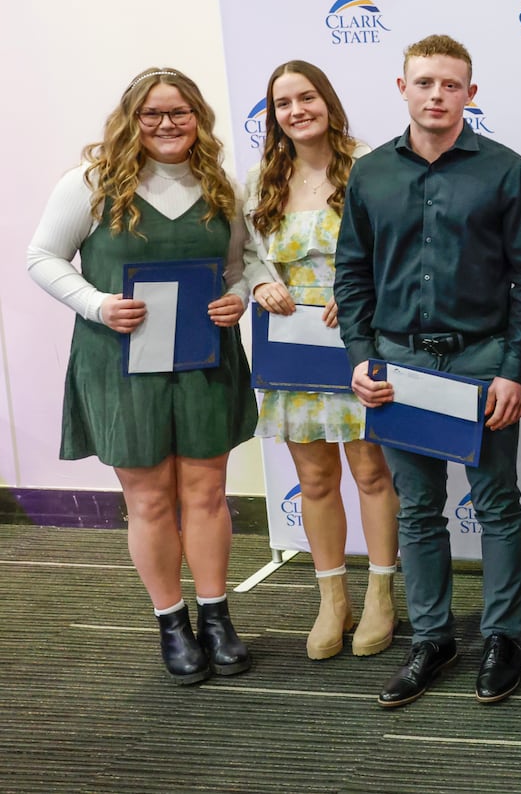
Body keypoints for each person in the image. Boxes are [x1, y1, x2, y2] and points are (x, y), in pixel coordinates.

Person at [26, 67, 258, 683]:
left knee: (207, 494)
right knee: (150, 499)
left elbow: (237, 268)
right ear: (132, 119)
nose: (166, 125)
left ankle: (216, 616)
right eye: (152, 114)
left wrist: (238, 298)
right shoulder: (91, 183)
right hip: (121, 365)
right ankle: (172, 622)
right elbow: (41, 257)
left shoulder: (220, 186)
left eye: (179, 113)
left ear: (197, 119)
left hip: (204, 359)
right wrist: (97, 304)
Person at [334, 35, 521, 709]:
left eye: (451, 85)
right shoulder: (370, 176)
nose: (436, 95)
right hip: (399, 364)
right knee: (419, 509)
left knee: (497, 503)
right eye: (424, 82)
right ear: (402, 88)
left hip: (483, 360)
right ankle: (431, 638)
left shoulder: (507, 172)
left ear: (470, 95)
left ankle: (503, 636)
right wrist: (360, 358)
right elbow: (352, 275)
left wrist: (515, 369)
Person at [244, 60, 400, 661]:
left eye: (306, 97)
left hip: (359, 339)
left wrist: (358, 290)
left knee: (370, 472)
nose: (296, 110)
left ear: (328, 102)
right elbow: (247, 256)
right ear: (275, 116)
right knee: (314, 479)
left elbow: (397, 248)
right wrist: (260, 284)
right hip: (292, 349)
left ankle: (383, 594)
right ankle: (333, 599)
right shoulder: (263, 181)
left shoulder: (368, 167)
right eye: (283, 103)